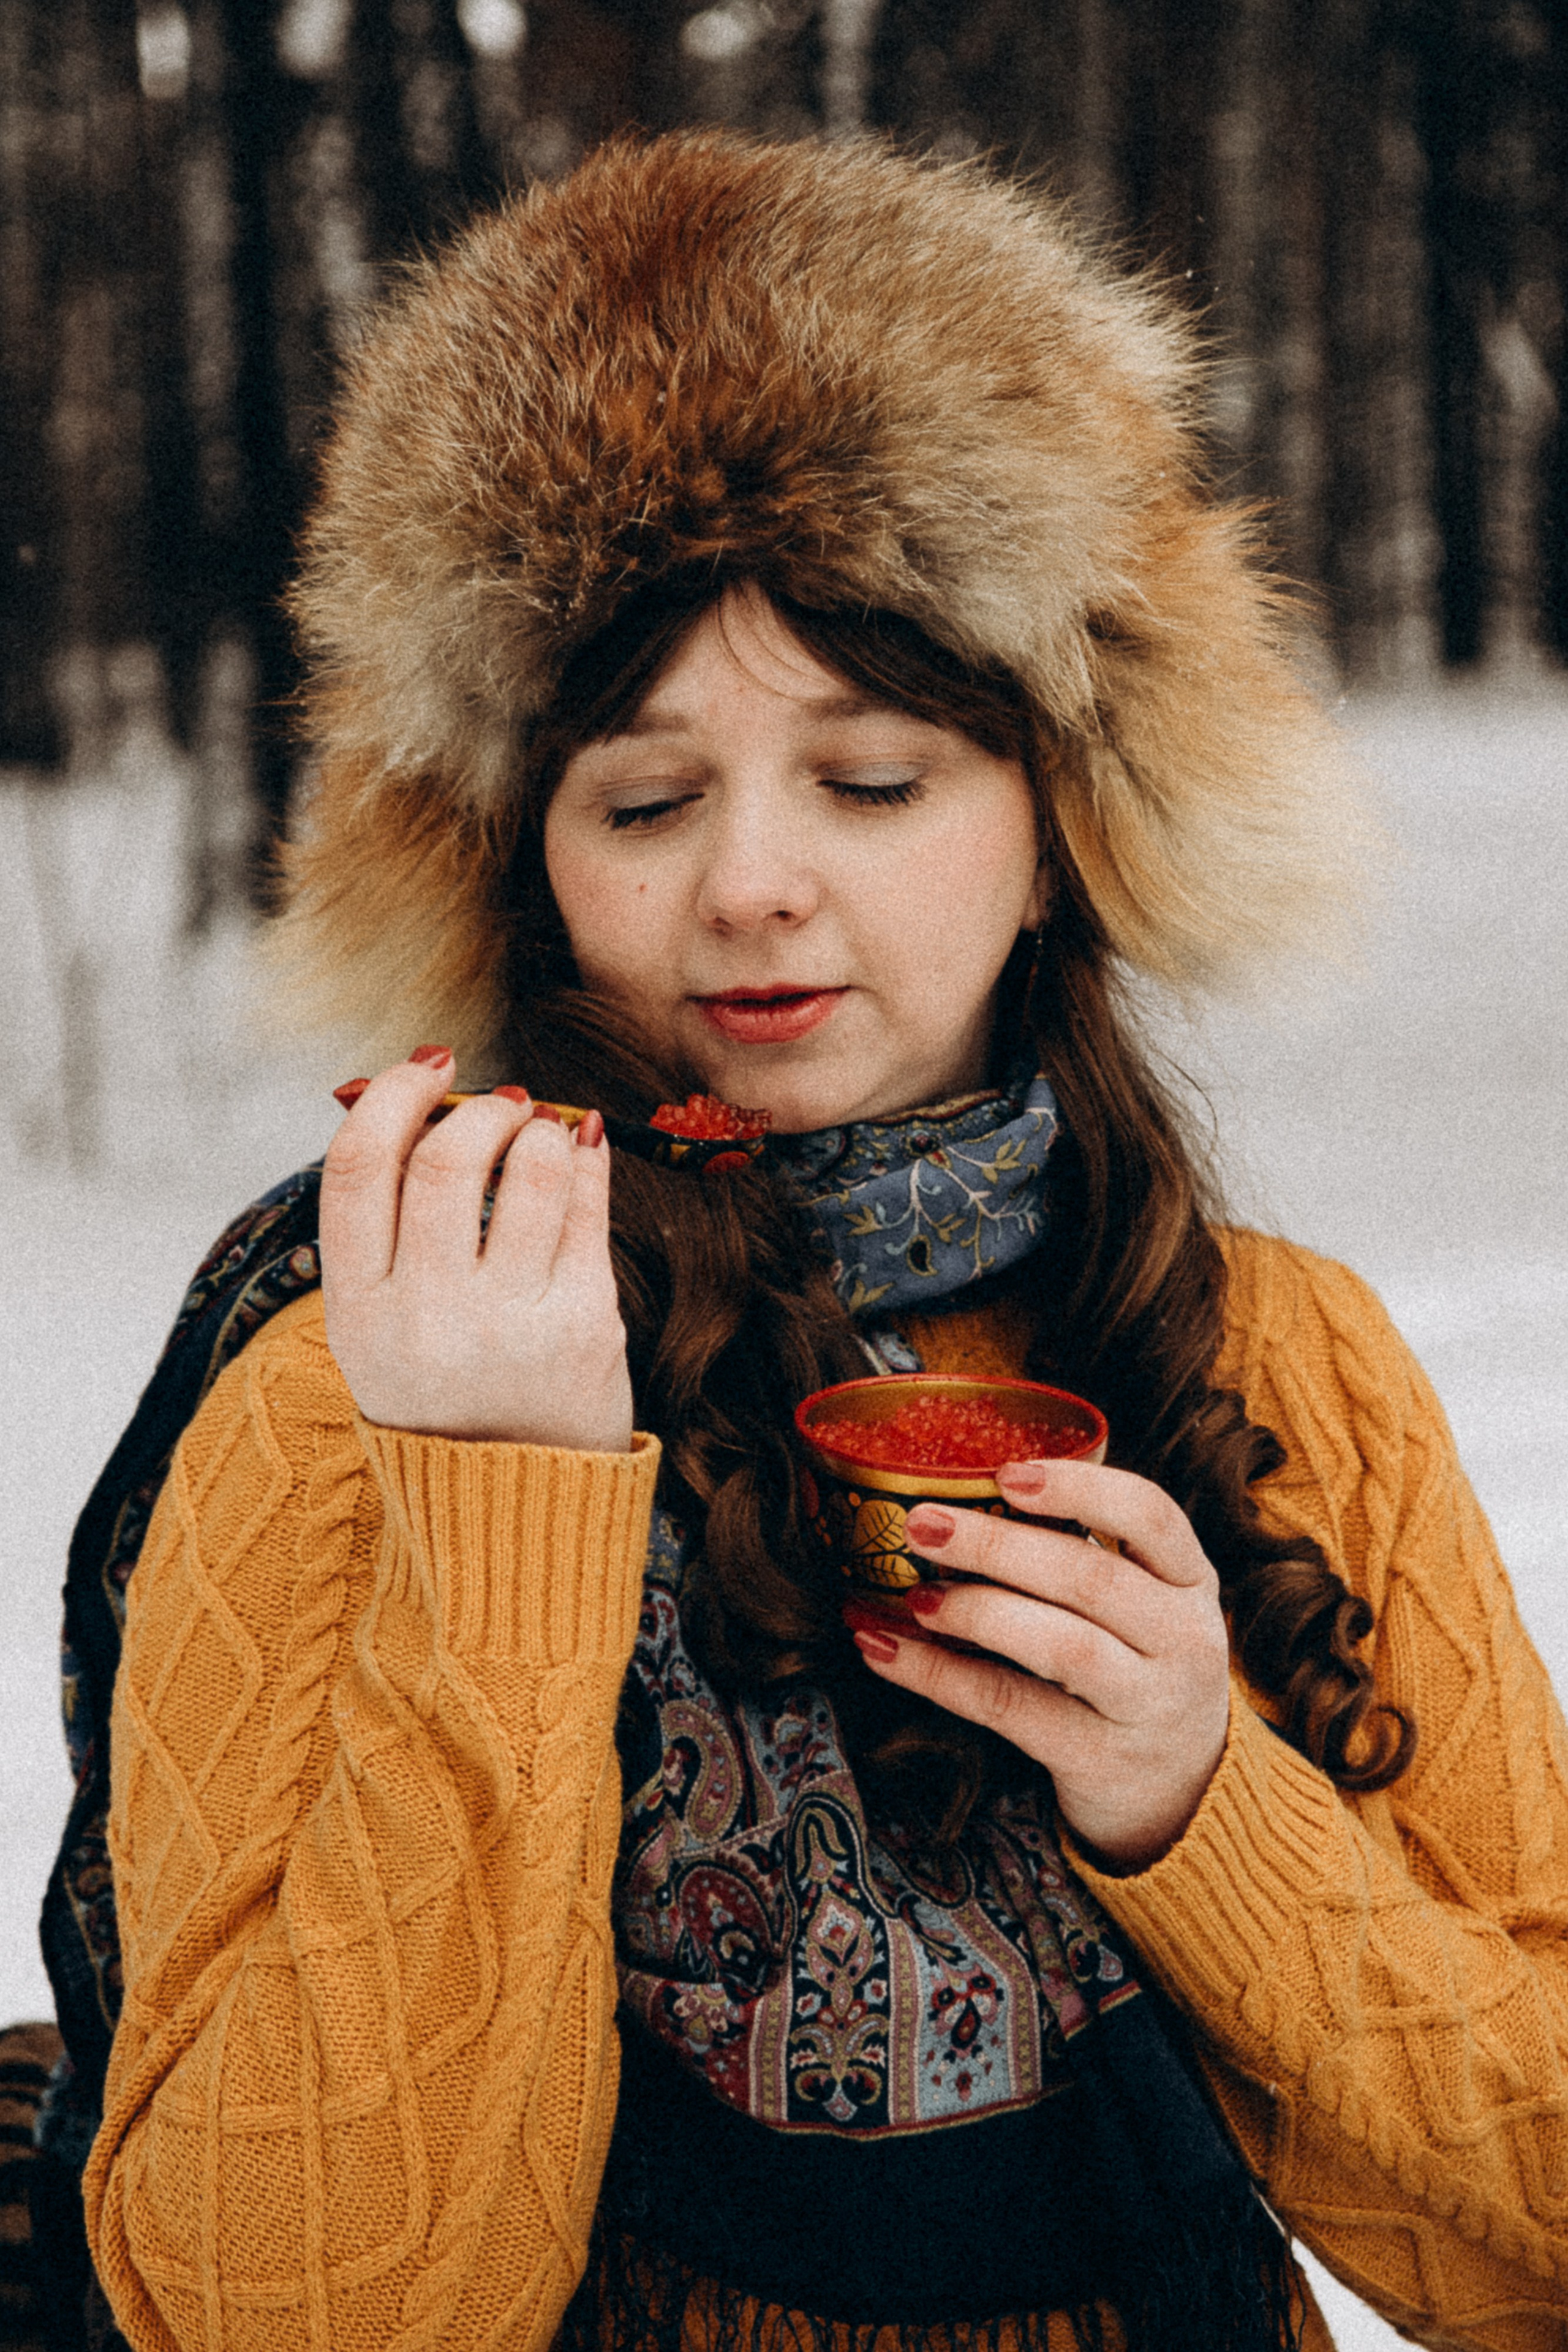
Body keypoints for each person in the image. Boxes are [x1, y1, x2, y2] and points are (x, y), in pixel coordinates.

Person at [40, 129, 1568, 2352]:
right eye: (646, 801)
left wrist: (1199, 1804)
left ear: (1060, 830)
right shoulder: (348, 1396)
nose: (752, 884)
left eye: (874, 780)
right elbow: (284, 2316)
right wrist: (496, 1501)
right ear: (524, 869)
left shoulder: (1289, 1366)